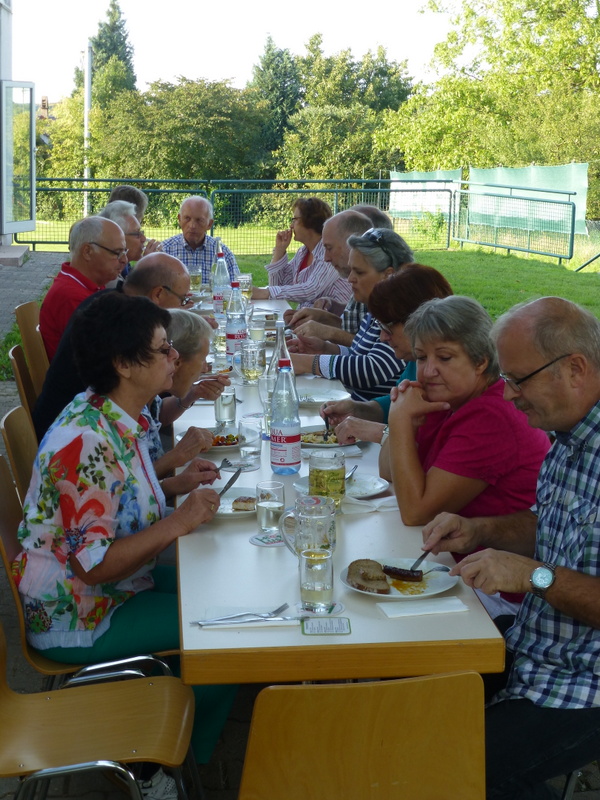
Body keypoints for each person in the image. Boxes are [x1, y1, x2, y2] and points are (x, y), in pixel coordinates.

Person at [14, 292, 237, 784]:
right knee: (223, 635)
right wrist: (178, 521)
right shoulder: (87, 441)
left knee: (222, 593)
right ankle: (162, 770)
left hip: (113, 589)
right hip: (80, 612)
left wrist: (175, 485)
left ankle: (178, 748)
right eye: (163, 349)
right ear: (124, 364)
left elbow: (119, 499)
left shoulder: (108, 412)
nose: (175, 356)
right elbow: (93, 566)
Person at [420, 297, 600, 799]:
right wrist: (480, 531)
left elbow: (539, 572)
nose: (509, 394)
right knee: (400, 705)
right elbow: (549, 523)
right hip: (532, 650)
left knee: (448, 774)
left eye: (518, 380)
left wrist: (531, 576)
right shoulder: (569, 434)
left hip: (585, 686)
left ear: (575, 369)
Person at [33, 252, 230, 442]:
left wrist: (190, 394)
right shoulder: (117, 326)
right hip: (66, 429)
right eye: (183, 300)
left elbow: (152, 414)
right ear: (158, 294)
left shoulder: (113, 308)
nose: (173, 354)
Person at [323, 264, 452, 444]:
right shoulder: (415, 360)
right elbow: (395, 404)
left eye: (387, 327)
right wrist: (358, 410)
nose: (383, 337)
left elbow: (432, 444)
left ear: (418, 320)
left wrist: (382, 433)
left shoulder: (444, 373)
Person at [289, 228, 410, 401]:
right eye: (351, 270)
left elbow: (373, 369)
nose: (350, 278)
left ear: (388, 275)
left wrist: (307, 363)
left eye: (359, 272)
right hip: (358, 407)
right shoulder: (376, 308)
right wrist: (324, 349)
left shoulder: (402, 311)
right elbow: (358, 354)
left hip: (374, 414)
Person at [39, 216, 128, 360]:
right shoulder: (72, 297)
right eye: (117, 253)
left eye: (125, 252)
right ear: (87, 251)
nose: (124, 260)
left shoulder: (81, 285)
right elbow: (103, 356)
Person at [283, 210, 375, 344]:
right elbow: (354, 327)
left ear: (352, 244)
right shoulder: (360, 278)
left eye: (329, 248)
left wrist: (328, 332)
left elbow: (371, 347)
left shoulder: (375, 283)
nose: (326, 258)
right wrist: (322, 316)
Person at [251, 197, 352, 309]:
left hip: (334, 317)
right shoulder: (302, 253)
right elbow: (277, 286)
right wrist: (279, 251)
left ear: (310, 222)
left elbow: (310, 290)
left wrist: (266, 292)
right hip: (309, 316)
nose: (291, 225)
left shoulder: (329, 253)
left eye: (294, 220)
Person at [161, 196, 238, 283]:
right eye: (187, 218)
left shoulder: (222, 254)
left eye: (199, 220)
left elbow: (236, 285)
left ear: (209, 224)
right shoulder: (165, 251)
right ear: (179, 219)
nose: (192, 226)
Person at [98, 200, 161, 282]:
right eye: (137, 234)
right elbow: (129, 289)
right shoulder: (107, 274)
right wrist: (145, 267)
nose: (144, 239)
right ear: (119, 237)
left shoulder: (124, 266)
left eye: (141, 232)